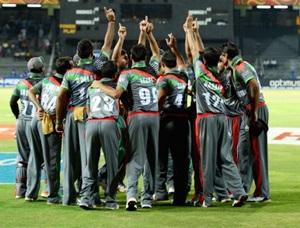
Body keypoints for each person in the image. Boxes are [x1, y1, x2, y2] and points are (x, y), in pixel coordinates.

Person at [92, 20, 160, 211]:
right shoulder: (152, 71)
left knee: (134, 157)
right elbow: (155, 53)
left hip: (136, 116)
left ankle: (131, 195)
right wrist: (148, 34)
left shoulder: (127, 74)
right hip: (154, 117)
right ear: (144, 57)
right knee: (151, 158)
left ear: (130, 57)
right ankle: (147, 198)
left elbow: (116, 94)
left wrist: (98, 85)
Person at [185, 15, 247, 207]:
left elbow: (195, 52)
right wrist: (196, 32)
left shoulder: (201, 73)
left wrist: (188, 30)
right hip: (223, 118)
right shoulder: (222, 75)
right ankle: (238, 192)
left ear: (204, 62)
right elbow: (202, 53)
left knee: (207, 160)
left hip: (206, 119)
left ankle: (207, 198)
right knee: (226, 158)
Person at [55, 7, 115, 206]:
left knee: (70, 158)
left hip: (71, 114)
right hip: (87, 115)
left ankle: (67, 196)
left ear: (77, 54)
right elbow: (107, 44)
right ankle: (90, 195)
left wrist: (59, 120)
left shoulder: (70, 72)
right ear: (91, 52)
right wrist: (111, 22)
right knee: (88, 158)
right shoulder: (98, 67)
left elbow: (61, 97)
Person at [221, 42, 270, 202]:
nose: (222, 58)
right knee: (243, 151)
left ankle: (263, 193)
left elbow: (254, 86)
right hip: (247, 112)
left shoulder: (241, 67)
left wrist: (254, 114)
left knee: (257, 153)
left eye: (223, 55)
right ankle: (241, 189)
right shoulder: (235, 69)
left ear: (227, 56)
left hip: (256, 110)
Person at [27, 57, 73, 204]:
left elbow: (30, 92)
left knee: (38, 158)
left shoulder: (47, 80)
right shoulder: (66, 84)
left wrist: (38, 107)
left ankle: (32, 192)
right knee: (53, 160)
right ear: (67, 70)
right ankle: (53, 195)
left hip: (39, 121)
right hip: (51, 123)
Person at [79, 61, 121, 210]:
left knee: (90, 163)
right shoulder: (117, 85)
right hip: (109, 122)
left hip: (91, 123)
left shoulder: (92, 86)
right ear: (115, 73)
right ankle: (110, 199)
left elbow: (88, 108)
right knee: (112, 163)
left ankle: (86, 198)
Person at [155, 33, 190, 205]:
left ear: (162, 65)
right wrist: (174, 48)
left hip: (167, 120)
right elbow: (182, 64)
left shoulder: (164, 79)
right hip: (183, 121)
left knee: (161, 157)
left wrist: (156, 112)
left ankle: (160, 191)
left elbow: (160, 99)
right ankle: (180, 197)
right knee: (180, 160)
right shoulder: (183, 77)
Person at [9, 57, 45, 199]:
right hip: (37, 122)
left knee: (22, 158)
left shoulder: (21, 84)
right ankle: (45, 190)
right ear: (42, 69)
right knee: (42, 158)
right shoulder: (45, 83)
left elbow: (12, 103)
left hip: (22, 122)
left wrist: (18, 117)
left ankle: (20, 191)